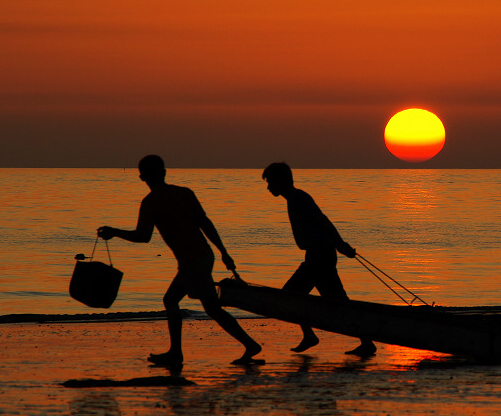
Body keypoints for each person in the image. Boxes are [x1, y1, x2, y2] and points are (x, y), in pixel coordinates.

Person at [98, 155, 262, 367]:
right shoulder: (184, 193)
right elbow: (206, 224)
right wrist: (223, 252)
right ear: (164, 172)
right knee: (208, 307)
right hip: (202, 257)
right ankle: (248, 345)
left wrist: (114, 232)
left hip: (192, 262)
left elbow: (143, 236)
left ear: (142, 178)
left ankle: (177, 353)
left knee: (175, 301)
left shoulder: (151, 202)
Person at [262, 162, 376, 357]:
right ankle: (365, 341)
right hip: (317, 255)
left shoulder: (299, 198)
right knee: (337, 301)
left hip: (320, 257)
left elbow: (323, 221)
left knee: (290, 296)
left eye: (271, 182)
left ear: (282, 181)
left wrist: (341, 245)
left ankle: (311, 336)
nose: (268, 187)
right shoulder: (294, 199)